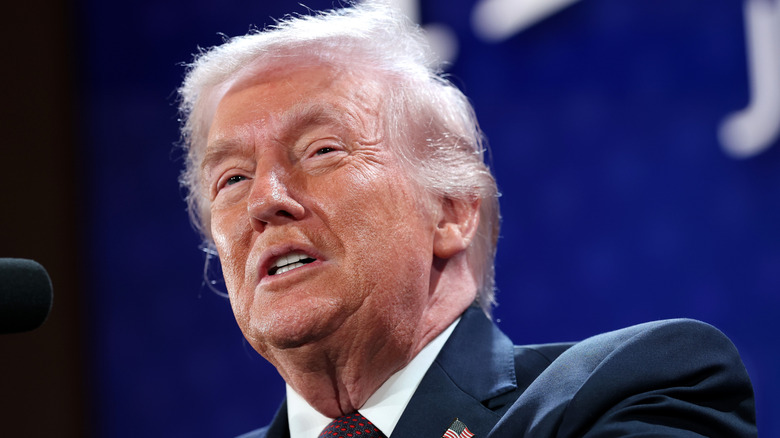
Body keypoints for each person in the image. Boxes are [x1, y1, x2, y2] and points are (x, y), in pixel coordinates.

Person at [176, 1, 757, 436]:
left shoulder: (633, 389)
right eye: (232, 179)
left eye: (322, 150)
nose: (264, 200)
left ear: (451, 212)